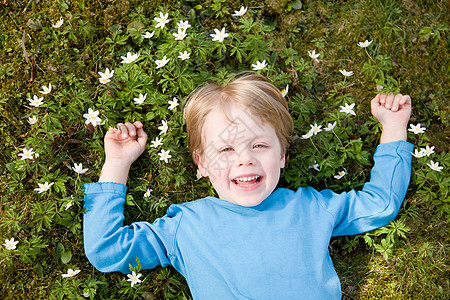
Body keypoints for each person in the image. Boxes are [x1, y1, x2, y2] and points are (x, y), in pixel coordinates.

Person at [83, 73, 414, 299]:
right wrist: (117, 163)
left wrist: (394, 127)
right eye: (225, 150)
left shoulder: (311, 207)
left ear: (282, 155)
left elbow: (379, 204)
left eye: (259, 146)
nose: (245, 160)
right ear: (201, 164)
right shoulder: (185, 226)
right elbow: (106, 249)